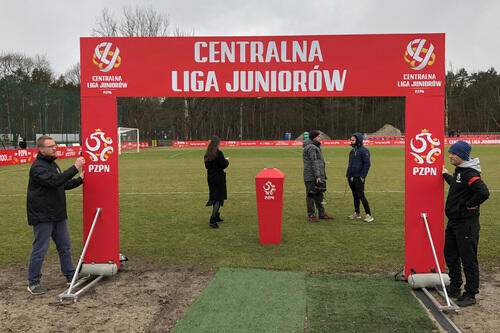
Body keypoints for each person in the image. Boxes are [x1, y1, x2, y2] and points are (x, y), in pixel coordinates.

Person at [26, 135, 85, 295]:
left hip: (58, 214)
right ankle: (33, 282)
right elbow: (54, 182)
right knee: (40, 249)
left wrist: (79, 179)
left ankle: (70, 275)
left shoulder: (53, 165)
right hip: (43, 216)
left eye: (54, 145)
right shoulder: (38, 167)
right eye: (50, 146)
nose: (54, 148)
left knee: (65, 246)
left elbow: (61, 184)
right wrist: (75, 167)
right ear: (41, 149)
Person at [442, 140, 489, 307]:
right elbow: (457, 186)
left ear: (461, 155)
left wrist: (469, 204)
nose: (450, 156)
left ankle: (470, 293)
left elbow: (483, 192)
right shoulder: (460, 171)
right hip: (454, 222)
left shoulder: (469, 173)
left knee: (468, 258)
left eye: (453, 153)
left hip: (466, 224)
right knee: (450, 254)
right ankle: (455, 286)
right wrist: (446, 175)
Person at [302, 130, 333, 222]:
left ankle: (322, 213)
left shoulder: (315, 146)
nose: (320, 138)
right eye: (319, 137)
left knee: (319, 194)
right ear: (314, 138)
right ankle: (311, 214)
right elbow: (314, 162)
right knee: (311, 195)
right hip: (311, 176)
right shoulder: (311, 147)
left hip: (316, 175)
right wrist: (317, 176)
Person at [346, 133, 373, 222]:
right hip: (351, 177)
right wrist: (348, 175)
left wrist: (362, 176)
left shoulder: (364, 151)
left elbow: (367, 164)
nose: (351, 142)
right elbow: (350, 164)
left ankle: (369, 215)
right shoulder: (351, 152)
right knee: (355, 195)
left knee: (361, 195)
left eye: (353, 140)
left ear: (358, 140)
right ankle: (357, 213)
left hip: (359, 177)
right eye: (351, 140)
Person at [204, 136, 229, 229]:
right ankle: (213, 219)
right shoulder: (218, 153)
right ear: (217, 144)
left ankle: (217, 216)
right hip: (218, 178)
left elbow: (206, 166)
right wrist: (227, 161)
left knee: (215, 196)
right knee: (218, 198)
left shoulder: (207, 154)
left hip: (210, 178)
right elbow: (224, 165)